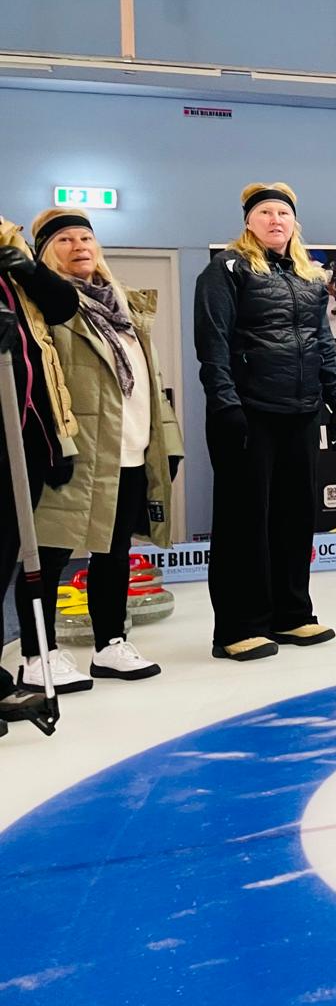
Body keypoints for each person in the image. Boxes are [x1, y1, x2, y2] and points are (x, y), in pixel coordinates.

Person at [15, 209, 184, 688]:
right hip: (75, 449)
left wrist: (164, 442)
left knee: (112, 552)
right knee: (47, 554)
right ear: (46, 252)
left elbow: (150, 383)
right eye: (64, 239)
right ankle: (36, 655)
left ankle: (110, 644)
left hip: (130, 447)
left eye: (86, 236)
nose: (79, 245)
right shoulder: (43, 305)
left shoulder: (125, 307)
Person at [194, 182, 336, 662]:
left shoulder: (307, 276)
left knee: (294, 516)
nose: (275, 220)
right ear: (248, 220)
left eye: (283, 212)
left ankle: (292, 615)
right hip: (248, 410)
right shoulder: (226, 270)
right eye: (265, 212)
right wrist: (224, 403)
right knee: (245, 521)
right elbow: (213, 342)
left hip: (299, 411)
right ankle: (239, 627)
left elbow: (322, 340)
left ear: (294, 222)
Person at [0, 215, 78, 727]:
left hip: (24, 429)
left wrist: (25, 265)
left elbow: (62, 306)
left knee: (5, 554)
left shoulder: (11, 252)